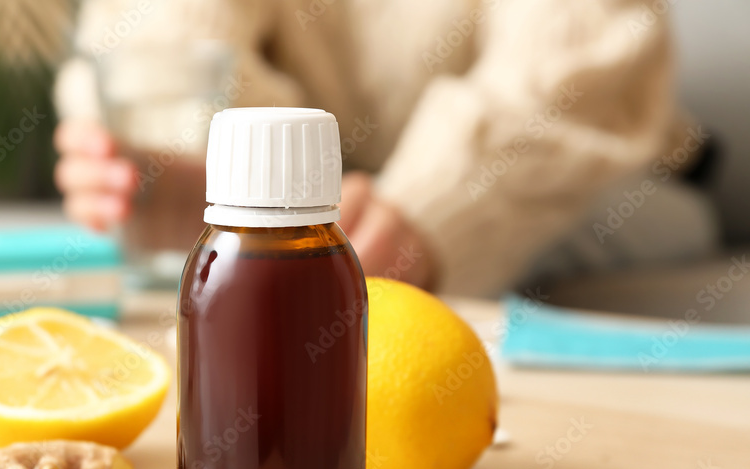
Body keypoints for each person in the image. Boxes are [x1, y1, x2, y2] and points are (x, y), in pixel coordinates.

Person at [53, 0, 717, 297]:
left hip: (607, 171)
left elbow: (571, 78)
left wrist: (426, 220)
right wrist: (197, 162)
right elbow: (159, 45)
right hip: (343, 196)